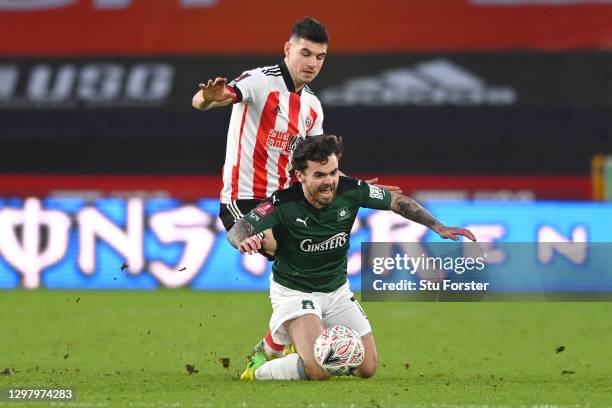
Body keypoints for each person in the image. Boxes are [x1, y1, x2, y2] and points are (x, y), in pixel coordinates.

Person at [192, 17, 398, 358]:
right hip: (243, 201)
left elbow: (318, 163)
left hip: (285, 203)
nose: (312, 63)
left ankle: (276, 344)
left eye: (320, 57)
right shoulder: (260, 81)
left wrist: (349, 182)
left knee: (306, 257)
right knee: (284, 249)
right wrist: (206, 97)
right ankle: (296, 335)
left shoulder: (312, 107)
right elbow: (213, 98)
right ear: (288, 49)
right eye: (306, 53)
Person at [227, 134, 477, 380]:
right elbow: (238, 229)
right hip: (295, 292)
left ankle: (283, 341)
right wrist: (243, 239)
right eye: (320, 175)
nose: (329, 182)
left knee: (366, 368)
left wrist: (437, 226)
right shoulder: (281, 203)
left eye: (334, 173)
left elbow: (397, 201)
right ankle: (258, 369)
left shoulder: (352, 190)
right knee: (319, 370)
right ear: (300, 176)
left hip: (336, 291)